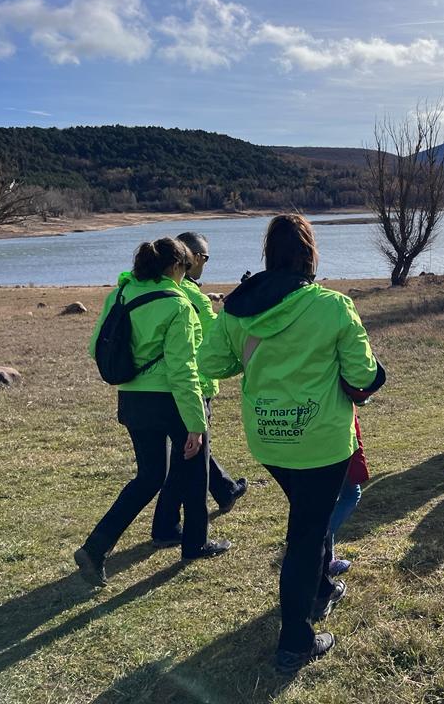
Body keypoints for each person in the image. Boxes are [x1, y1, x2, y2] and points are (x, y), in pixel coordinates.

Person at [198, 214, 384, 674]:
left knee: (311, 516)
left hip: (269, 441)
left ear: (268, 254)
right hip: (321, 442)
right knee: (304, 533)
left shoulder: (240, 309)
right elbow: (362, 375)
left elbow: (212, 363)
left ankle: (321, 589)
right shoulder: (333, 306)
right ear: (309, 253)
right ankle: (295, 641)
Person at [75, 238, 231, 587]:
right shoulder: (178, 305)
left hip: (132, 399)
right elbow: (183, 369)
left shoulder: (120, 294)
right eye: (186, 268)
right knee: (195, 473)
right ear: (176, 267)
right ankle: (195, 543)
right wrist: (196, 422)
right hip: (172, 400)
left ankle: (95, 547)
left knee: (148, 477)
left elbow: (94, 347)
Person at [150, 233, 248, 547]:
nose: (205, 264)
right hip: (192, 384)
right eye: (205, 258)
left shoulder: (159, 288)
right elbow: (214, 333)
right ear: (190, 257)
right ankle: (174, 531)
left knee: (188, 455)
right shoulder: (188, 295)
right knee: (189, 458)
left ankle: (224, 490)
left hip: (166, 387)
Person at [326, 411, 368, 577]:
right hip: (337, 442)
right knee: (350, 494)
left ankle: (322, 550)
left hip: (308, 445)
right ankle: (324, 549)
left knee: (324, 499)